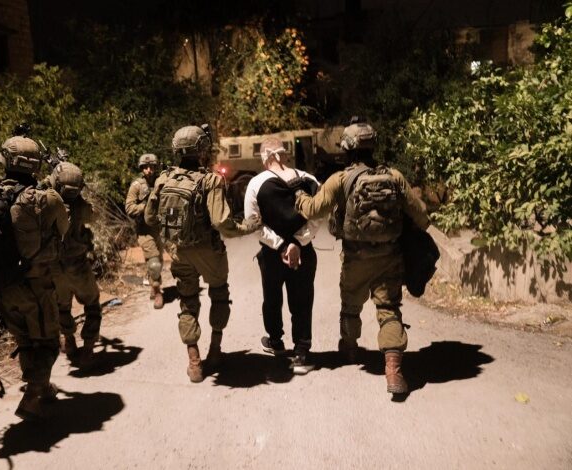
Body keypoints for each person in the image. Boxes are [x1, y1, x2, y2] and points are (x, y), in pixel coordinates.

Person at [294, 118, 429, 394]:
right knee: (389, 309)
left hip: (355, 258)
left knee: (350, 306)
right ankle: (393, 372)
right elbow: (422, 216)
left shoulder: (340, 179)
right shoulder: (394, 177)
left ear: (347, 148)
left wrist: (298, 196)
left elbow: (313, 210)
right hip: (389, 257)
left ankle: (349, 349)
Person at [144, 125, 256, 383]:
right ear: (202, 150)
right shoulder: (211, 180)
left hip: (179, 251)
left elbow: (149, 218)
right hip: (208, 251)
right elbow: (221, 222)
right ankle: (215, 351)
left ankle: (194, 363)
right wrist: (247, 227)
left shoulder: (163, 179)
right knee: (219, 293)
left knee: (187, 301)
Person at [0, 136, 69, 419]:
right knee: (48, 343)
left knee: (25, 341)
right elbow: (64, 229)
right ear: (35, 165)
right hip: (35, 286)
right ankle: (32, 397)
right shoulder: (47, 199)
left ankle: (43, 388)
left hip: (2, 288)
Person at [243, 137, 320, 375]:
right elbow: (317, 216)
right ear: (283, 154)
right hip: (304, 252)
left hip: (271, 254)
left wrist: (281, 246)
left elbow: (253, 223)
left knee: (272, 299)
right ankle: (301, 353)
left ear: (268, 157)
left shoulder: (256, 184)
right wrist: (297, 243)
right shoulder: (309, 180)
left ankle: (276, 342)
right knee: (302, 300)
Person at [41, 161, 103, 370]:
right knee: (92, 304)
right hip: (77, 264)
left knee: (62, 306)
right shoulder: (81, 207)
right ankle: (88, 348)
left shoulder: (45, 203)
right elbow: (94, 216)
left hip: (54, 266)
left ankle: (69, 340)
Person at [125, 154, 165, 309]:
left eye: (152, 167)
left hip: (160, 228)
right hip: (144, 230)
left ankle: (154, 285)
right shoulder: (136, 186)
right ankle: (158, 292)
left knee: (158, 260)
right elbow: (129, 208)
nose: (149, 170)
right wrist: (146, 206)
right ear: (141, 168)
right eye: (146, 167)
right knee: (154, 263)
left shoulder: (161, 182)